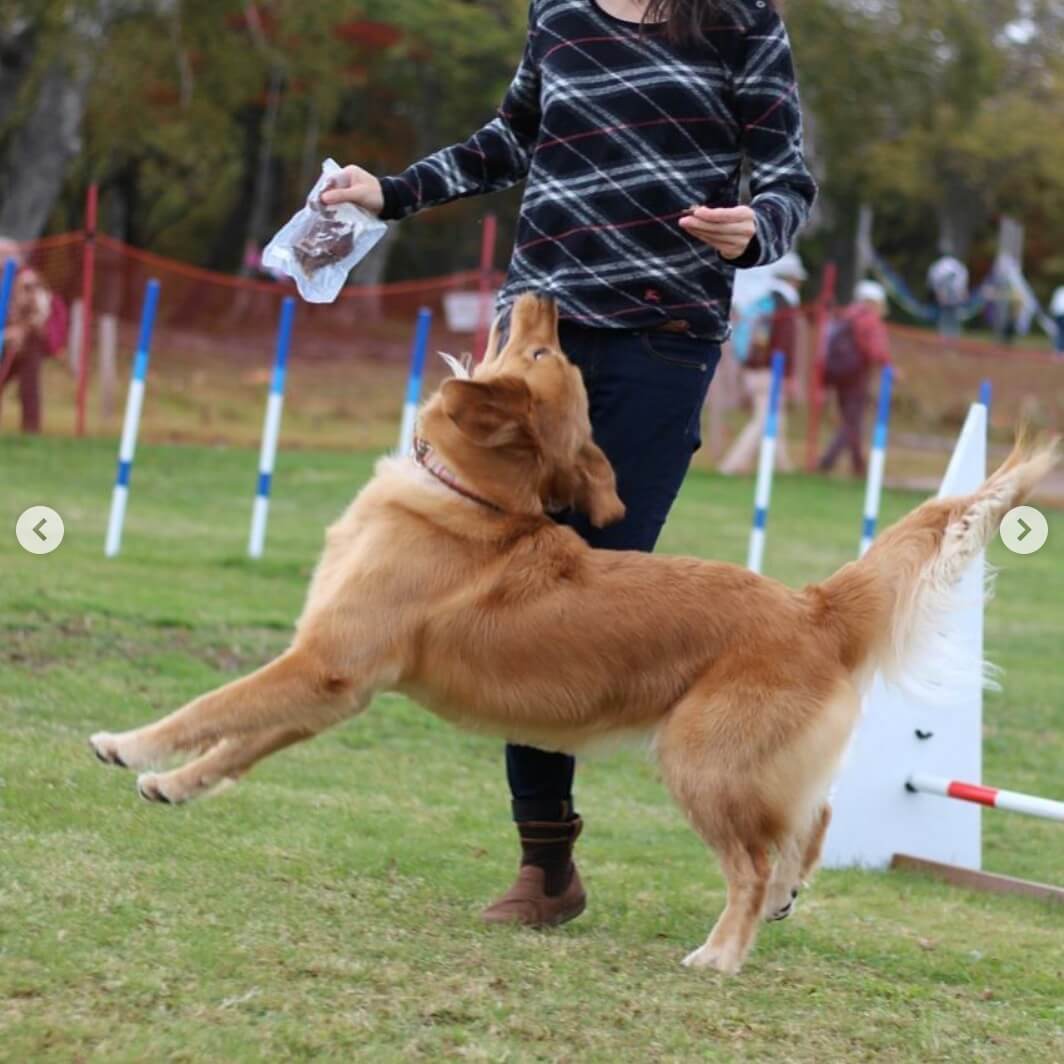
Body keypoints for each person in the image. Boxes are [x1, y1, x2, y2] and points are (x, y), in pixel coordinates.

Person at [321, 0, 816, 926]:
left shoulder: (740, 19)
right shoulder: (560, 15)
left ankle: (757, 807)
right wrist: (389, 192)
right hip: (539, 328)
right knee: (510, 590)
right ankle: (544, 861)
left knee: (572, 591)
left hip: (663, 342)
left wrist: (758, 229)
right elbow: (509, 140)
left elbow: (789, 173)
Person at [718, 251, 806, 475]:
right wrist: (788, 375)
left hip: (753, 368)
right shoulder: (784, 305)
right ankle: (733, 465)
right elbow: (784, 345)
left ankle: (782, 465)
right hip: (770, 370)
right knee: (764, 420)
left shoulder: (764, 301)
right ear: (792, 279)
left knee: (776, 418)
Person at [817, 280, 891, 477]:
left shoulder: (846, 315)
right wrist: (888, 367)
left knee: (851, 422)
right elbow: (875, 349)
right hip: (857, 376)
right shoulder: (869, 319)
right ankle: (829, 461)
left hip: (839, 375)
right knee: (852, 422)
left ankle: (858, 465)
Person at [0, 255, 68, 435]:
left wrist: (24, 330)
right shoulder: (6, 291)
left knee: (29, 389)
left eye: (33, 286)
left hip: (30, 346)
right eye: (26, 287)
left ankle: (31, 430)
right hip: (6, 345)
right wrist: (8, 335)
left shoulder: (39, 295)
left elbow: (41, 320)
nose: (30, 289)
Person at [927, 253, 969, 338]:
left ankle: (952, 337)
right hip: (947, 300)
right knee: (946, 318)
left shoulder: (953, 267)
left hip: (953, 300)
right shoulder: (944, 267)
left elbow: (961, 284)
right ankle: (945, 337)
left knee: (953, 319)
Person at [1051, 284, 1064, 355]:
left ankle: (1058, 349)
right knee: (1061, 332)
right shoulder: (1059, 290)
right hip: (1061, 313)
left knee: (1059, 332)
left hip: (1057, 313)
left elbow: (1054, 303)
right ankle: (1060, 349)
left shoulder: (1059, 290)